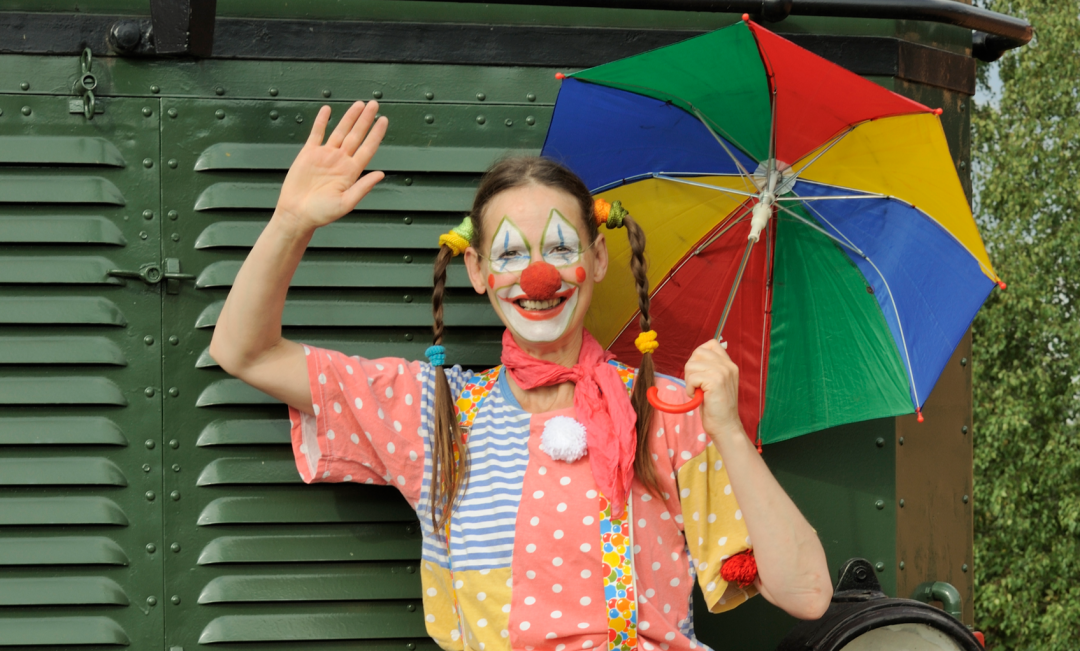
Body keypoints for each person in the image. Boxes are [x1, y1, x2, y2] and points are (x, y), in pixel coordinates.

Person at [210, 100, 832, 651]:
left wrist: (722, 425)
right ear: (478, 271)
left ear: (597, 258)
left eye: (560, 248)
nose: (538, 278)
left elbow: (806, 594)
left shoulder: (664, 409)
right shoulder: (434, 412)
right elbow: (247, 353)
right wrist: (291, 221)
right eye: (510, 254)